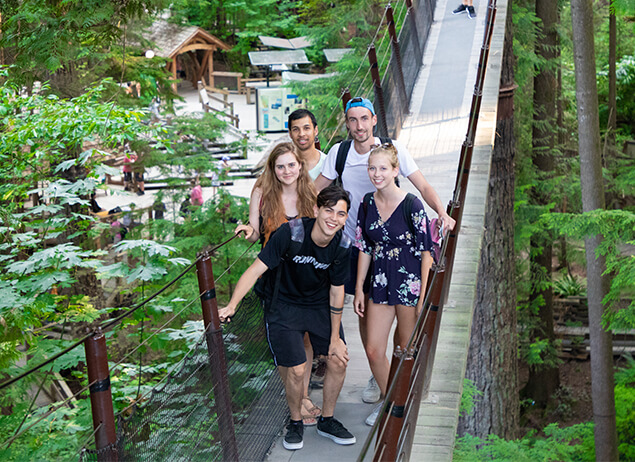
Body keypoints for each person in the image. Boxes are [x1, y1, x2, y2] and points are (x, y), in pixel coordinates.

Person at [314, 97, 455, 405]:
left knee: (404, 342)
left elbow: (423, 189)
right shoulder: (340, 155)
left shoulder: (396, 156)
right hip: (359, 251)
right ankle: (382, 381)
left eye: (364, 119)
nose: (358, 125)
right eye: (352, 120)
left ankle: (391, 389)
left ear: (374, 120)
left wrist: (442, 213)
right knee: (368, 328)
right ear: (347, 123)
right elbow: (315, 191)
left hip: (403, 270)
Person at [219, 185, 356, 451]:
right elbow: (255, 269)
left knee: (338, 360)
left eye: (341, 214)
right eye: (328, 210)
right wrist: (232, 304)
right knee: (296, 370)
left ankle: (327, 420)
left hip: (317, 306)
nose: (333, 218)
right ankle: (295, 422)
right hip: (283, 305)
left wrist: (335, 337)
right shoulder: (291, 233)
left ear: (345, 218)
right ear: (316, 210)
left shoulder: (342, 246)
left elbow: (337, 292)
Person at [234, 142, 320, 425]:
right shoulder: (263, 192)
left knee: (306, 338)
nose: (286, 171)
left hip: (306, 277)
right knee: (287, 343)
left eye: (291, 165)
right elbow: (255, 229)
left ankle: (303, 395)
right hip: (275, 278)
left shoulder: (312, 193)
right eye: (280, 166)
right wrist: (247, 229)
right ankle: (295, 399)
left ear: (300, 166)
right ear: (273, 168)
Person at [353, 143, 434, 426]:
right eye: (372, 168)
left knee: (404, 348)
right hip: (380, 281)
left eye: (383, 168)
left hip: (409, 283)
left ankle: (401, 404)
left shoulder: (412, 204)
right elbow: (364, 246)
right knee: (374, 349)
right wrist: (360, 288)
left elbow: (427, 253)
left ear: (395, 170)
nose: (377, 174)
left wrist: (422, 296)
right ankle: (393, 402)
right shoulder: (366, 202)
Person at [288, 109, 326, 180]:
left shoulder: (328, 164)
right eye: (296, 129)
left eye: (306, 128)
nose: (301, 134)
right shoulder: (284, 166)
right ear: (290, 133)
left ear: (315, 130)